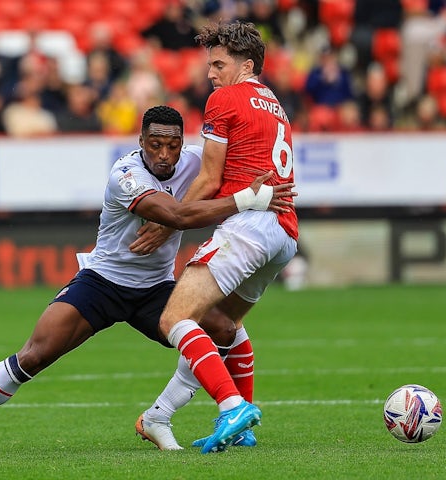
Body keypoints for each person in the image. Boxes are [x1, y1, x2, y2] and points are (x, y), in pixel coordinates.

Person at [0, 105, 295, 455]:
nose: (164, 154)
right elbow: (176, 216)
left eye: (173, 145)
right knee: (33, 355)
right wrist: (248, 200)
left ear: (183, 144)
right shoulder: (125, 174)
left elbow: (227, 171)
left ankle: (158, 418)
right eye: (155, 144)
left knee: (223, 329)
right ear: (140, 142)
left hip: (156, 288)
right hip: (102, 282)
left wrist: (260, 182)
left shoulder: (195, 162)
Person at [137, 21, 298, 455]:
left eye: (219, 63)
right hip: (284, 233)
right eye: (210, 64)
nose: (211, 73)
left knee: (174, 319)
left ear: (247, 65)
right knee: (225, 325)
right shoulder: (274, 103)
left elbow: (209, 178)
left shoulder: (225, 98)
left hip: (251, 226)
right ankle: (209, 421)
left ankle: (231, 407)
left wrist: (169, 219)